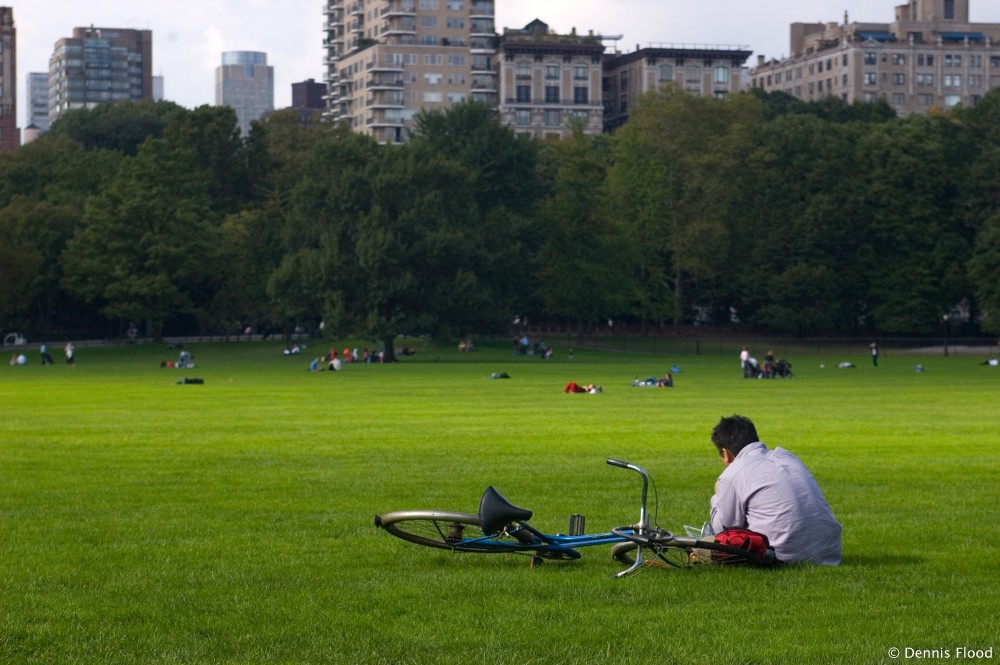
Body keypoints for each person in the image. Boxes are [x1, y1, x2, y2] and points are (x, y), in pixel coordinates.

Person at [708, 415, 841, 565]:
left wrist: (717, 495)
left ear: (725, 454)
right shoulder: (788, 457)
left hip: (783, 556)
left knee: (714, 537)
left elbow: (723, 530)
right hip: (830, 553)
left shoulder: (733, 473)